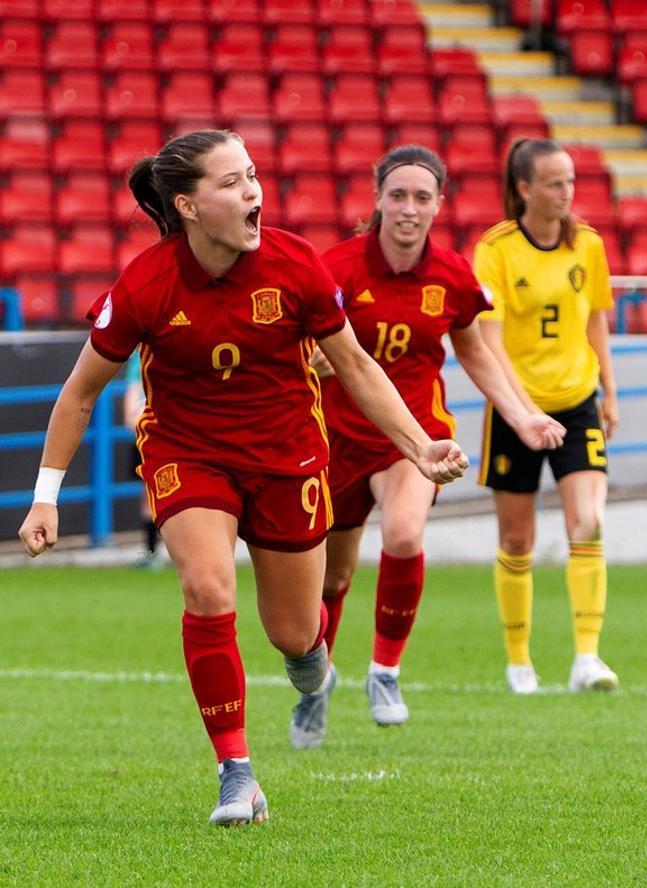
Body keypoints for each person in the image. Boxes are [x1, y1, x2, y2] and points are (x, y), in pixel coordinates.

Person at [18, 130, 472, 828]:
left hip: (286, 455)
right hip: (187, 451)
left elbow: (352, 365)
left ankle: (314, 672)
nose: (253, 192)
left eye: (253, 177)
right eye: (231, 183)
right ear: (189, 206)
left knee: (294, 635)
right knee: (206, 588)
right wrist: (45, 496)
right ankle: (237, 775)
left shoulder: (296, 264)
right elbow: (79, 394)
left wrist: (417, 445)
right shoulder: (143, 283)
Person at [289, 144, 566, 750]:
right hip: (336, 439)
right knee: (331, 582)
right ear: (378, 199)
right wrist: (325, 362)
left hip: (415, 438)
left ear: (439, 204)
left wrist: (522, 415)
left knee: (406, 534)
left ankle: (385, 672)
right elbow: (298, 350)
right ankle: (316, 688)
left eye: (421, 197)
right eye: (398, 195)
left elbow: (474, 352)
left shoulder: (452, 275)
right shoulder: (335, 267)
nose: (408, 208)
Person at [473, 137, 619, 695]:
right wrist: (524, 411)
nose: (567, 193)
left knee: (589, 523)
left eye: (572, 182)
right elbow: (490, 342)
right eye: (555, 183)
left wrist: (609, 392)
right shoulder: (497, 249)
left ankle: (588, 658)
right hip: (515, 407)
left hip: (577, 402)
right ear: (524, 189)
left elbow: (596, 322)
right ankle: (518, 662)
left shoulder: (589, 246)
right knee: (517, 539)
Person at [123, 349, 161, 567]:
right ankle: (152, 552)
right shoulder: (139, 355)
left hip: (164, 433)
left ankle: (154, 552)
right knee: (149, 495)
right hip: (149, 434)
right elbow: (132, 392)